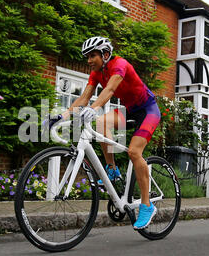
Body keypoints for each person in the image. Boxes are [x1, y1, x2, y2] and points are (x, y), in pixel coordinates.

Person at [45, 36, 161, 230]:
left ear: (105, 54)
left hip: (149, 110)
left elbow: (110, 89)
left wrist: (95, 106)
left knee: (134, 152)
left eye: (93, 56)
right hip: (130, 111)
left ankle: (147, 205)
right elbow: (83, 98)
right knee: (100, 123)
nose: (89, 60)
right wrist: (61, 116)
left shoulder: (120, 65)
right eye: (87, 57)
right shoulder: (96, 73)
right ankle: (112, 169)